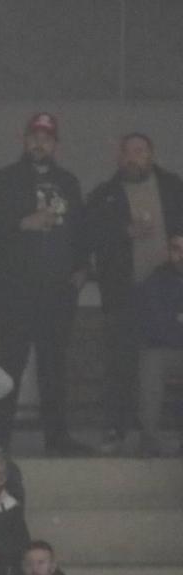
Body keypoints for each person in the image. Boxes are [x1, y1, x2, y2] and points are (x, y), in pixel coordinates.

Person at [0, 113, 87, 452]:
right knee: (11, 362)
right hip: (15, 290)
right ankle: (1, 436)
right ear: (23, 139)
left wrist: (83, 267)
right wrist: (22, 222)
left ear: (57, 145)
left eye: (47, 138)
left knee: (54, 364)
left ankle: (57, 437)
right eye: (34, 136)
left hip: (57, 291)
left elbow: (81, 230)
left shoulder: (68, 182)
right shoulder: (5, 179)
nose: (40, 143)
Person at [84, 134, 183, 448]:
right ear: (118, 157)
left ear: (151, 155)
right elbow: (88, 235)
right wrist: (123, 232)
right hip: (124, 292)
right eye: (127, 152)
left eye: (140, 151)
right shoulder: (105, 195)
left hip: (171, 292)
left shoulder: (173, 188)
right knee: (120, 361)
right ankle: (117, 427)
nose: (133, 157)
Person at [135, 230, 183, 453]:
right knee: (151, 362)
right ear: (168, 251)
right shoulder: (156, 280)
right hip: (164, 349)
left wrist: (175, 319)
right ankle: (149, 439)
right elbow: (153, 324)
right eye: (177, 249)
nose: (182, 254)